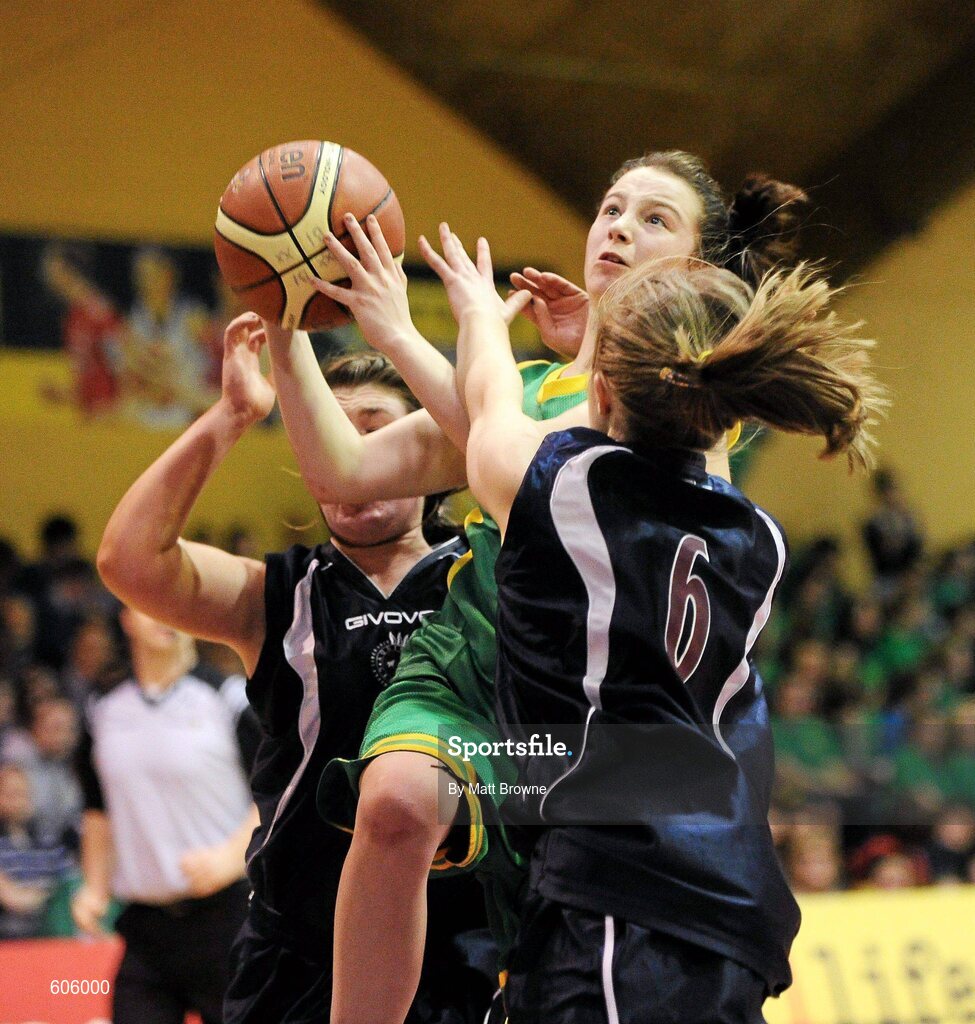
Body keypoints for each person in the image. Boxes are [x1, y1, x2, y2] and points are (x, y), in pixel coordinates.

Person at [262, 150, 808, 1023]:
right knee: (400, 799)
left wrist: (418, 331)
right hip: (473, 671)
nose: (620, 226)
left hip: (571, 731)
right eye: (611, 207)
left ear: (698, 276)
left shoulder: (695, 411)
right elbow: (349, 464)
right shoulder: (527, 392)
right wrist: (284, 325)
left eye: (655, 219)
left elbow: (521, 454)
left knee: (547, 948)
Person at [424, 226, 884, 1020]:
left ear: (598, 388)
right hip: (727, 898)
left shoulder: (567, 489)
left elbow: (491, 402)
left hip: (627, 894)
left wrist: (475, 314)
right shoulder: (760, 542)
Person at [94, 313, 491, 1024]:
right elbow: (129, 562)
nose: (348, 452)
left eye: (374, 430)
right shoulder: (279, 593)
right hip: (298, 956)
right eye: (328, 432)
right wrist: (232, 414)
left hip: (467, 950)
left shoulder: (491, 574)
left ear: (431, 452)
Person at [72, 603, 259, 1024]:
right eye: (150, 606)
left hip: (228, 921)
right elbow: (97, 807)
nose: (166, 616)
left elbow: (277, 794)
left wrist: (231, 857)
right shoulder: (102, 707)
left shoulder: (227, 698)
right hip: (145, 930)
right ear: (126, 620)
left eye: (178, 605)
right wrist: (95, 886)